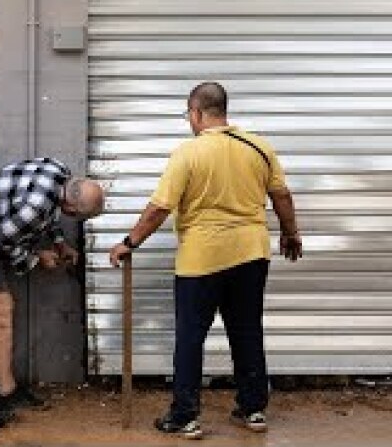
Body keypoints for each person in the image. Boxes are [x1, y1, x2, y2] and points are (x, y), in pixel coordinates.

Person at [108, 82, 303, 440]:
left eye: (189, 116)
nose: (189, 122)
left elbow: (159, 209)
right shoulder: (259, 147)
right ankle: (253, 408)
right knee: (246, 331)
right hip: (251, 253)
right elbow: (282, 195)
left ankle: (185, 416)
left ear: (197, 113)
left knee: (190, 337)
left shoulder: (188, 153)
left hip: (202, 259)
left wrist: (128, 242)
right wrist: (291, 233)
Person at [0, 157, 106, 412]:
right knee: (2, 309)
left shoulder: (60, 171)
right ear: (71, 210)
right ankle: (6, 392)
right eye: (77, 216)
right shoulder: (36, 207)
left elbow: (49, 213)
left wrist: (59, 243)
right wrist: (36, 258)